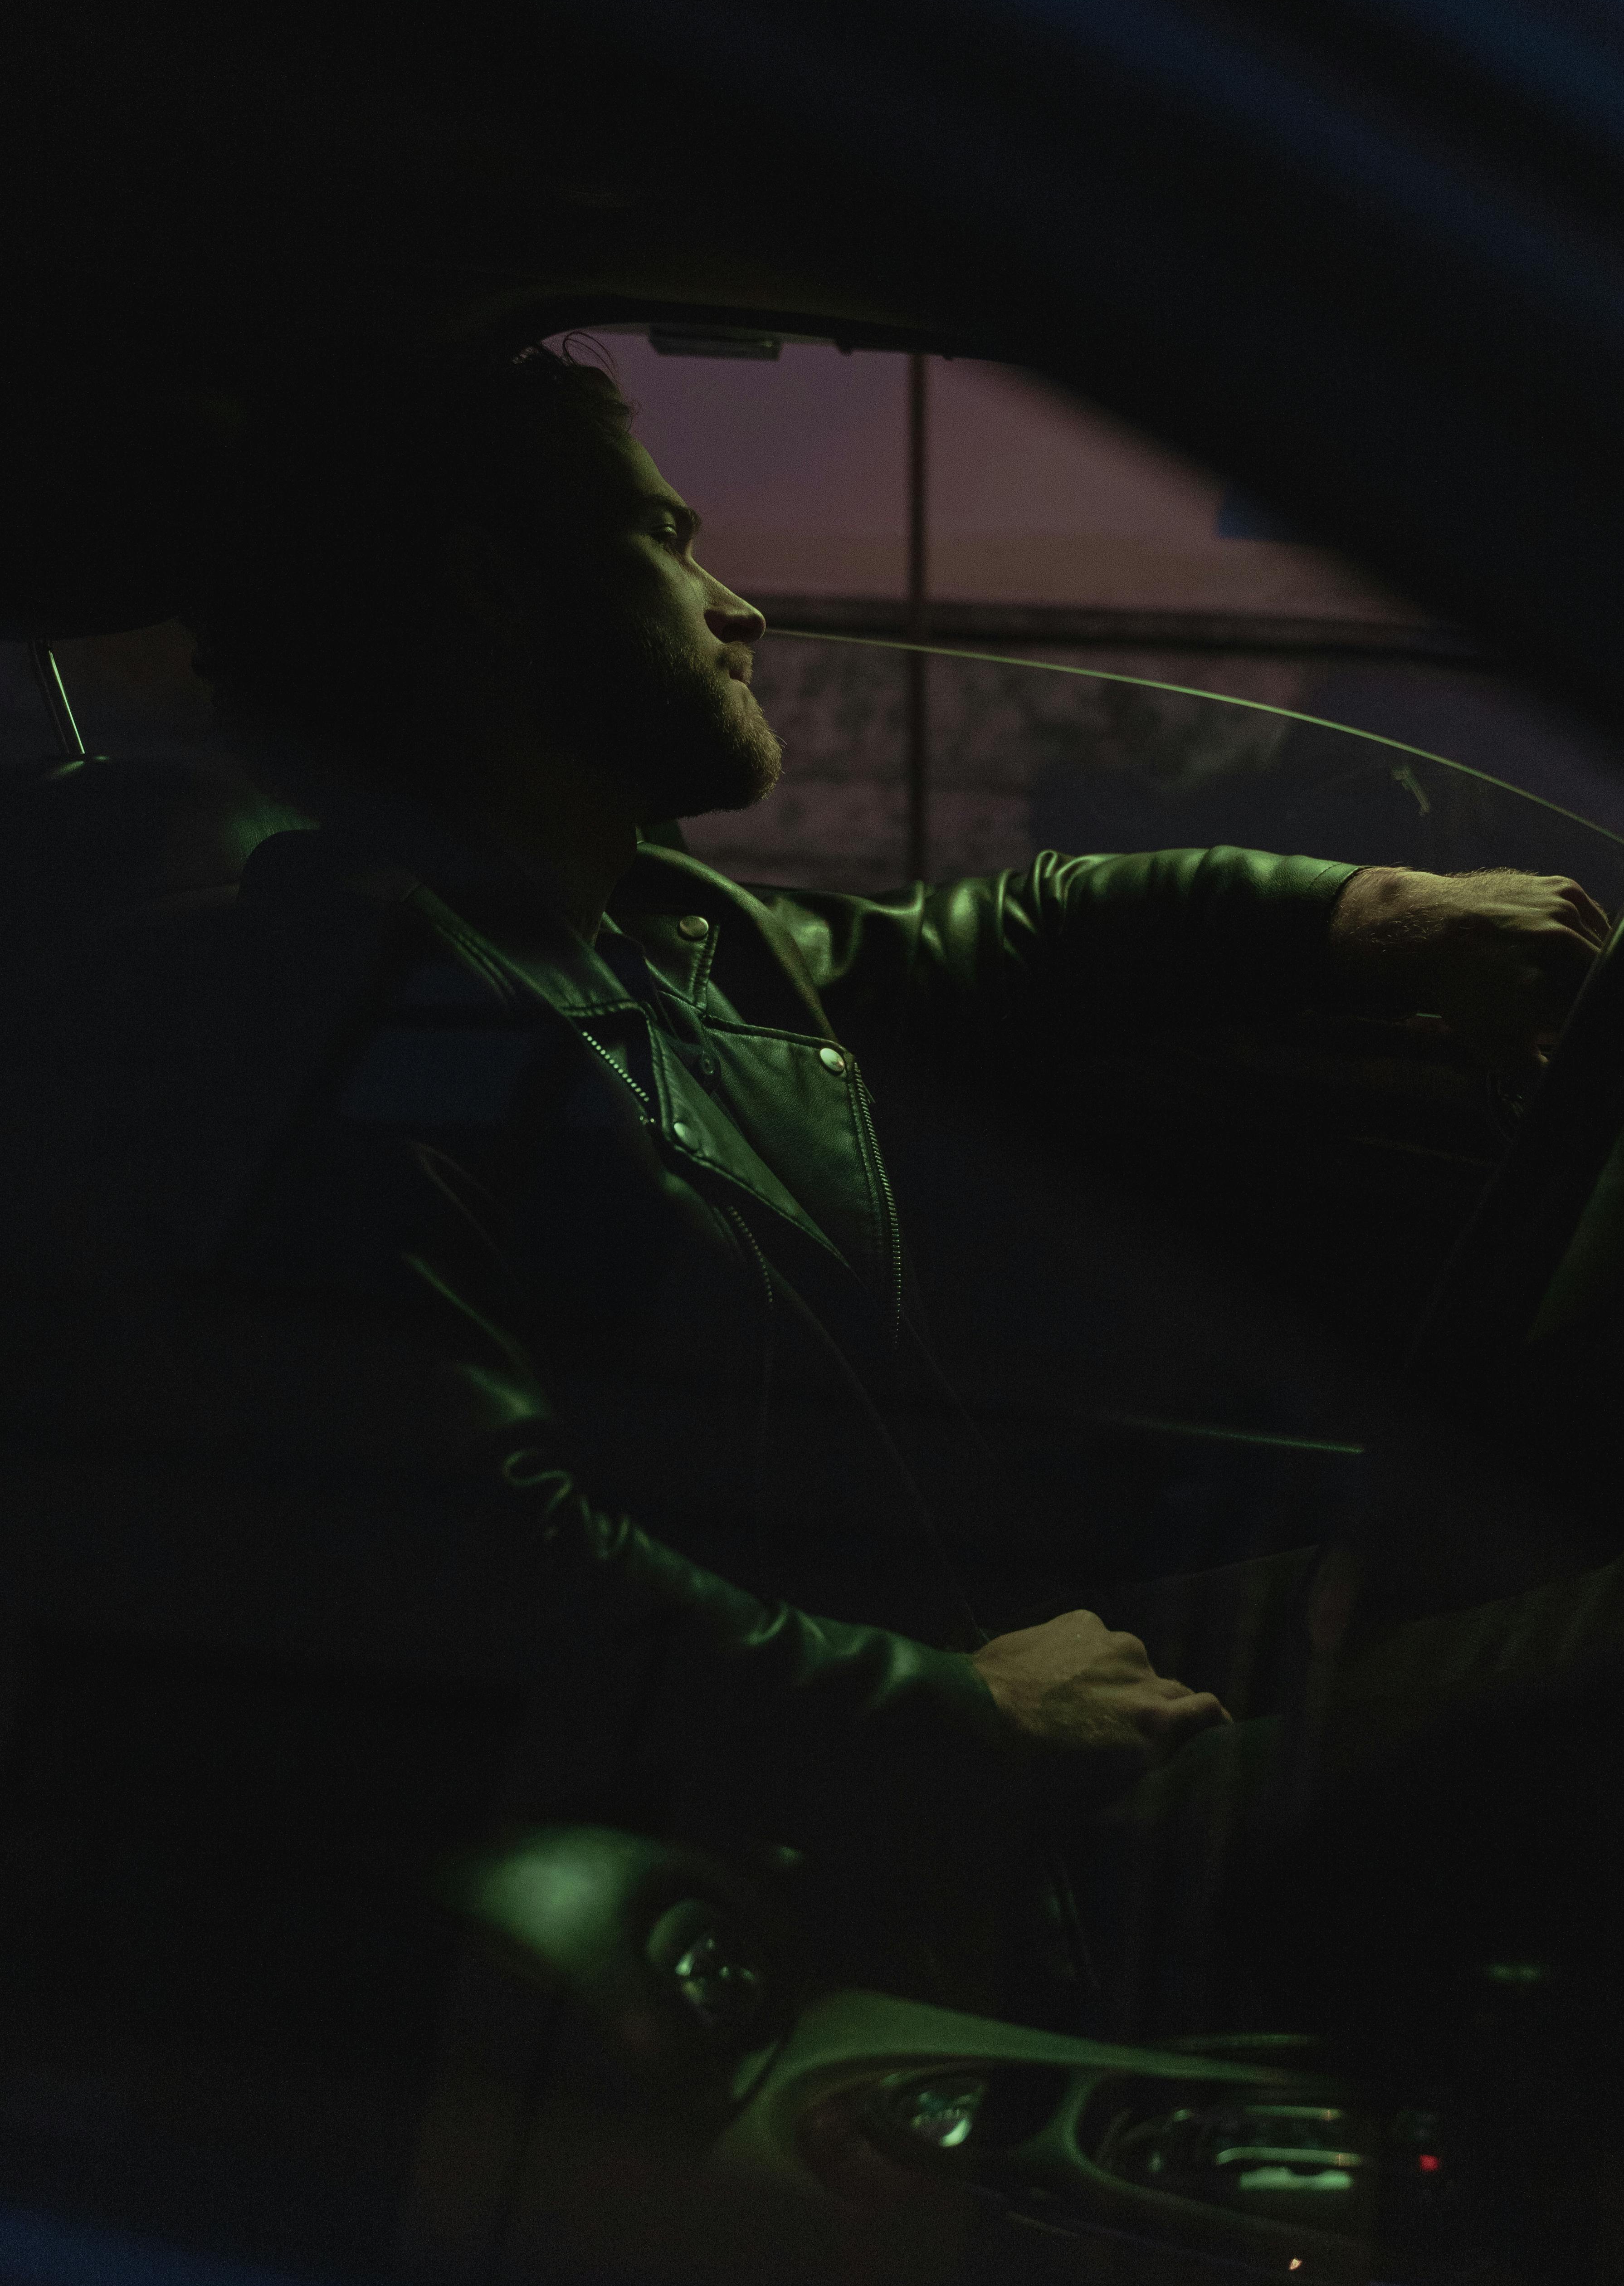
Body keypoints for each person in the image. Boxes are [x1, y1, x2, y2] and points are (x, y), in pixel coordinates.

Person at [18, 339, 1616, 2027]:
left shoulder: (646, 924)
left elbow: (983, 942)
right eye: (667, 541)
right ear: (497, 594)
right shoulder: (373, 1012)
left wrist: (1362, 911)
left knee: (1504, 1594)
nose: (738, 605)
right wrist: (957, 1716)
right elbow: (469, 1553)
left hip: (941, 1674)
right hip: (880, 1833)